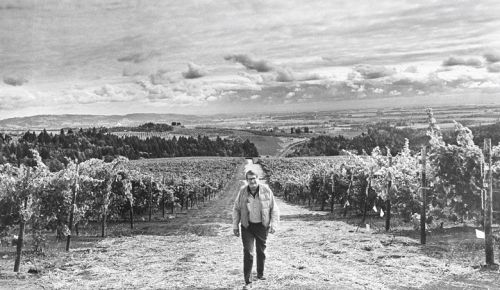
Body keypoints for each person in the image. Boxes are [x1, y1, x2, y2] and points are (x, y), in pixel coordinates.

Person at [232, 170, 280, 289]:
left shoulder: (266, 190)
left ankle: (260, 273)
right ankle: (248, 282)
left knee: (261, 251)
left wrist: (274, 224)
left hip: (262, 226)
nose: (252, 181)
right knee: (248, 252)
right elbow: (236, 209)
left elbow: (274, 208)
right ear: (246, 180)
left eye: (254, 178)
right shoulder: (242, 192)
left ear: (258, 179)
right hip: (247, 226)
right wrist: (235, 225)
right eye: (249, 179)